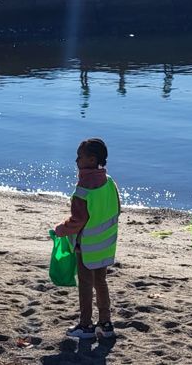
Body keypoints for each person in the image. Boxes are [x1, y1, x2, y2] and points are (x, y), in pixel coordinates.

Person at [53, 138, 120, 341]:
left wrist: (60, 229)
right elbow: (117, 208)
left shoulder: (82, 190)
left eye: (79, 157)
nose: (76, 160)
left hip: (87, 247)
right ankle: (106, 323)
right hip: (106, 244)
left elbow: (77, 221)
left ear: (92, 160)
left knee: (85, 284)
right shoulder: (109, 182)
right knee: (101, 282)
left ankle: (85, 324)